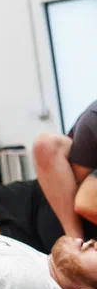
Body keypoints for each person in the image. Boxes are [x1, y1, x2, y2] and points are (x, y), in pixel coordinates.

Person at [35, 98, 97, 241]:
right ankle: (75, 239)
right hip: (72, 197)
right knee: (45, 144)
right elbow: (84, 200)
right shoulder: (92, 122)